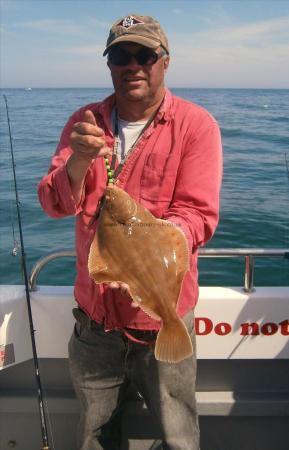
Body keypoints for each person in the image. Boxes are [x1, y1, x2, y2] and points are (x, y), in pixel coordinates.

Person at [38, 13, 222, 450]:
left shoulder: (196, 126)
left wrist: (149, 247)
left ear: (165, 61)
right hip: (96, 321)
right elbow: (53, 202)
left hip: (163, 319)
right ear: (109, 64)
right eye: (122, 54)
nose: (133, 64)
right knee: (94, 436)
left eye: (145, 54)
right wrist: (78, 162)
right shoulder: (85, 122)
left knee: (179, 436)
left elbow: (198, 215)